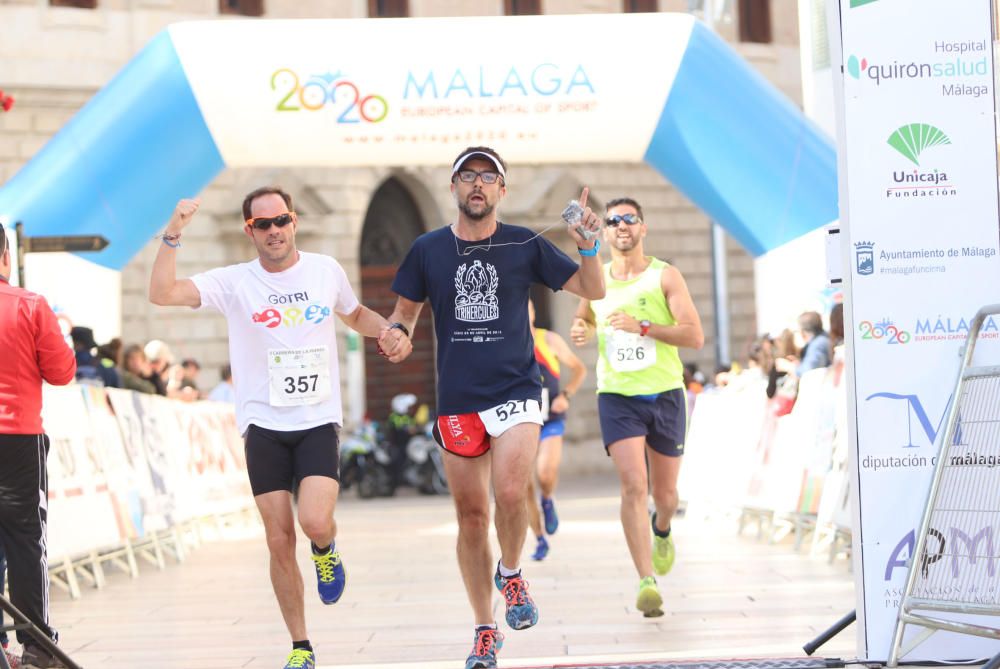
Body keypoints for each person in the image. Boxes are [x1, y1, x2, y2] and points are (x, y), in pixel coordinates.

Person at [148, 188, 408, 669]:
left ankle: (326, 549)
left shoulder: (324, 270)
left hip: (315, 419)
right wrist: (174, 232)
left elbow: (353, 314)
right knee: (277, 539)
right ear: (249, 231)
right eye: (262, 225)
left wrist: (389, 331)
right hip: (262, 422)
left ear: (295, 222)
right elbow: (162, 293)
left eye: (281, 220)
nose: (274, 231)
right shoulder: (234, 282)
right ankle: (301, 646)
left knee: (312, 521)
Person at [378, 146, 605, 669]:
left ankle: (513, 571)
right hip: (458, 400)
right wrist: (396, 335)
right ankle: (485, 628)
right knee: (471, 516)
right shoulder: (427, 249)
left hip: (518, 392)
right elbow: (404, 314)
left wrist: (588, 246)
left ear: (503, 190)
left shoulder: (524, 242)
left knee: (508, 491)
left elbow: (591, 289)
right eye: (467, 176)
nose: (477, 185)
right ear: (453, 187)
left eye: (488, 177)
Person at [570, 196, 704, 618]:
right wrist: (580, 327)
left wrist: (643, 326)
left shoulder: (666, 276)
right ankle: (646, 580)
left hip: (664, 393)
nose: (621, 225)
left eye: (630, 219)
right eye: (613, 220)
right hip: (617, 396)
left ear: (643, 228)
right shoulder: (596, 280)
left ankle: (662, 526)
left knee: (664, 495)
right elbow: (586, 316)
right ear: (605, 231)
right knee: (633, 486)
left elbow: (694, 336)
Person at [0, 221, 77, 668]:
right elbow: (63, 372)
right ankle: (37, 646)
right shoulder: (30, 304)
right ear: (6, 257)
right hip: (17, 440)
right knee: (26, 540)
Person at [525, 299, 586, 561]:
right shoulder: (503, 343)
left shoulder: (548, 340)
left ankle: (548, 499)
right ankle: (539, 539)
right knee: (523, 487)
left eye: (525, 306)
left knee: (545, 473)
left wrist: (566, 395)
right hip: (519, 422)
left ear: (532, 311)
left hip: (549, 417)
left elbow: (579, 369)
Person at [795, 310, 830, 375]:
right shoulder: (820, 340)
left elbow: (808, 371)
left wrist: (789, 367)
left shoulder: (819, 343)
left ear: (803, 330)